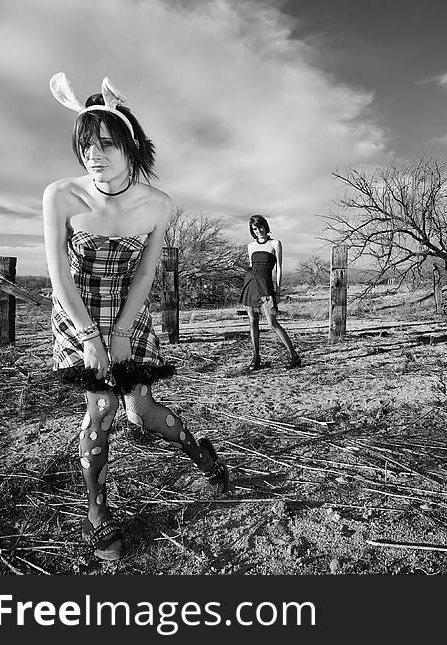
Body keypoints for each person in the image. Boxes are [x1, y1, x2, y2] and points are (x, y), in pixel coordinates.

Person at [43, 72, 232, 562]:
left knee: (141, 411)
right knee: (101, 408)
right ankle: (98, 516)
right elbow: (58, 275)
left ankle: (202, 453)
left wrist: (122, 333)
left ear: (131, 145)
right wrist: (90, 337)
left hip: (129, 314)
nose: (94, 156)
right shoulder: (62, 194)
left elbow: (147, 274)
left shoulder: (157, 205)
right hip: (77, 311)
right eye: (87, 146)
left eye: (107, 144)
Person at [238, 214, 302, 371]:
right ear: (252, 231)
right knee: (252, 322)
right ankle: (256, 358)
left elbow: (279, 269)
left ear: (265, 226)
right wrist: (239, 265)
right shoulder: (250, 246)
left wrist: (278, 291)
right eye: (255, 229)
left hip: (266, 287)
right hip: (251, 286)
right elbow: (252, 268)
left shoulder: (275, 243)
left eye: (260, 227)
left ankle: (294, 356)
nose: (258, 231)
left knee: (272, 323)